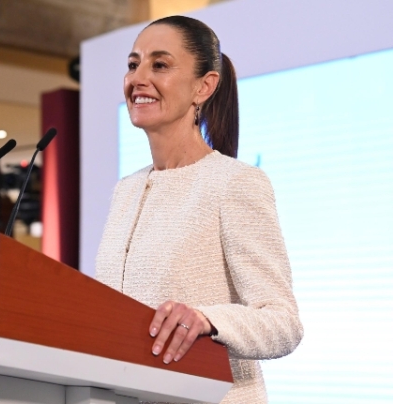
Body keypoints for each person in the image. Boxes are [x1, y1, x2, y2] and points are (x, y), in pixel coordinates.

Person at [95, 15, 303, 403]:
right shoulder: (124, 191)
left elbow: (283, 323)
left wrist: (208, 319)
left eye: (159, 65)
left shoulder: (235, 182)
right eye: (132, 64)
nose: (138, 78)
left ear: (204, 86)